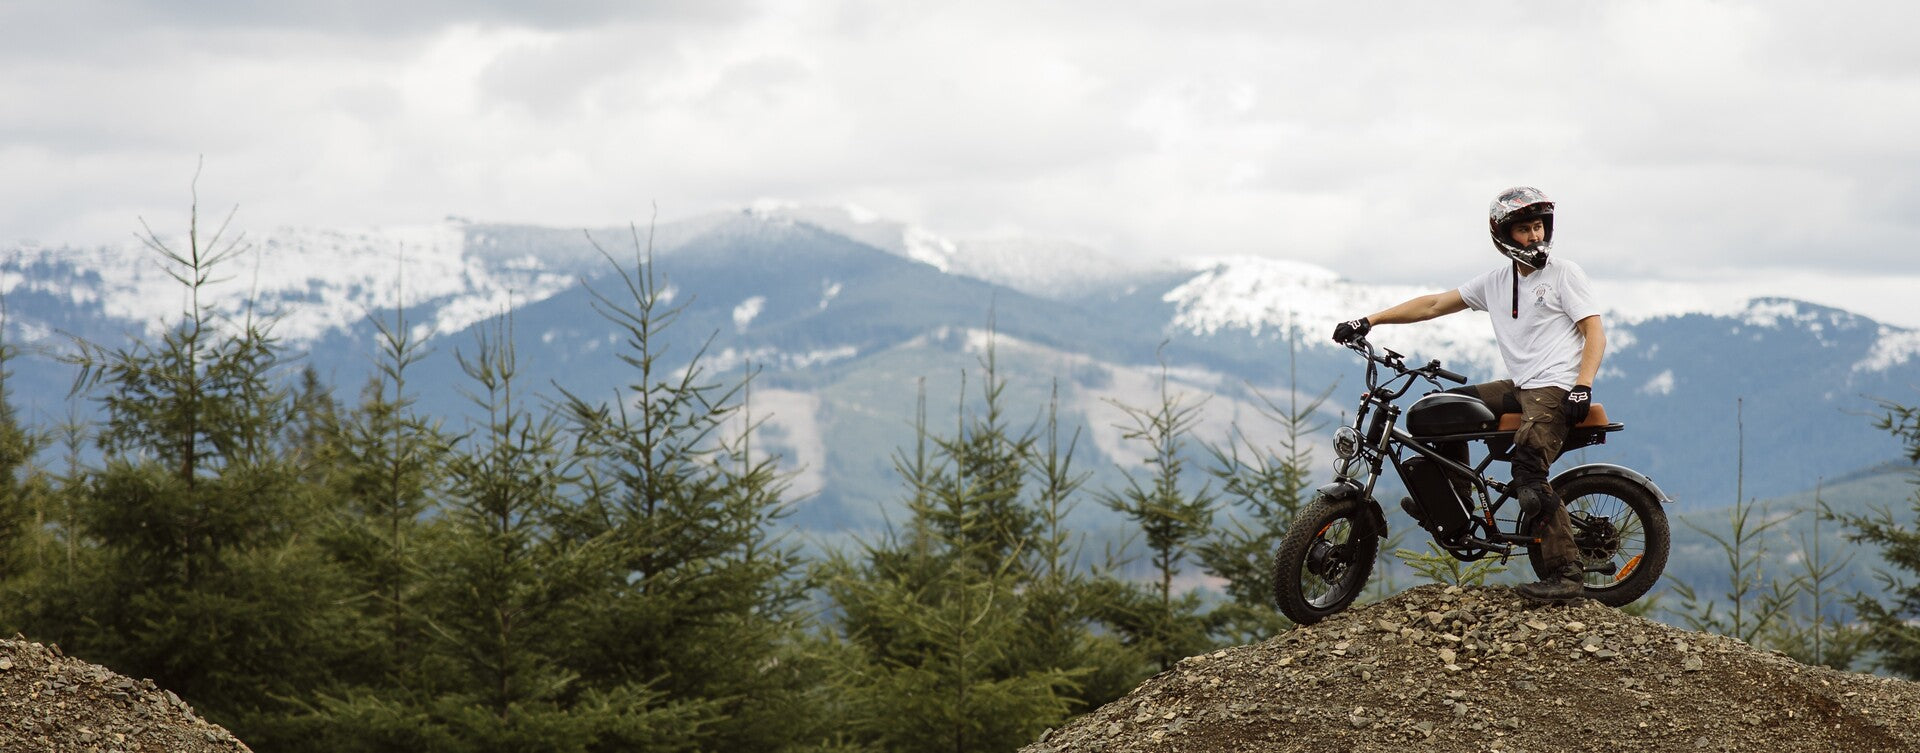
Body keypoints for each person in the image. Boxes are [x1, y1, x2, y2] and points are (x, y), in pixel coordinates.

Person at [1330, 186, 1605, 603]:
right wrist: (1369, 320)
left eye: (1538, 227)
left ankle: (1566, 574)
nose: (1534, 237)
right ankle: (1453, 505)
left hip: (1556, 387)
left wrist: (1582, 385)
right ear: (1503, 236)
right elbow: (1434, 305)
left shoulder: (1565, 274)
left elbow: (1594, 333)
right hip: (1521, 385)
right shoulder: (1496, 282)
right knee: (1434, 415)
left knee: (1529, 474)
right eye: (1524, 229)